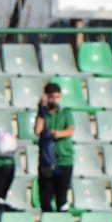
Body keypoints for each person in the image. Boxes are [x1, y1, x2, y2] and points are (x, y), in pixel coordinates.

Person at [34, 83, 74, 212]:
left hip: (64, 159)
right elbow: (37, 130)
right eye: (52, 97)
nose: (55, 100)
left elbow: (70, 130)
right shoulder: (43, 113)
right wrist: (41, 109)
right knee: (45, 198)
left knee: (61, 197)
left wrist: (56, 133)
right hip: (47, 161)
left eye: (57, 97)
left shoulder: (65, 112)